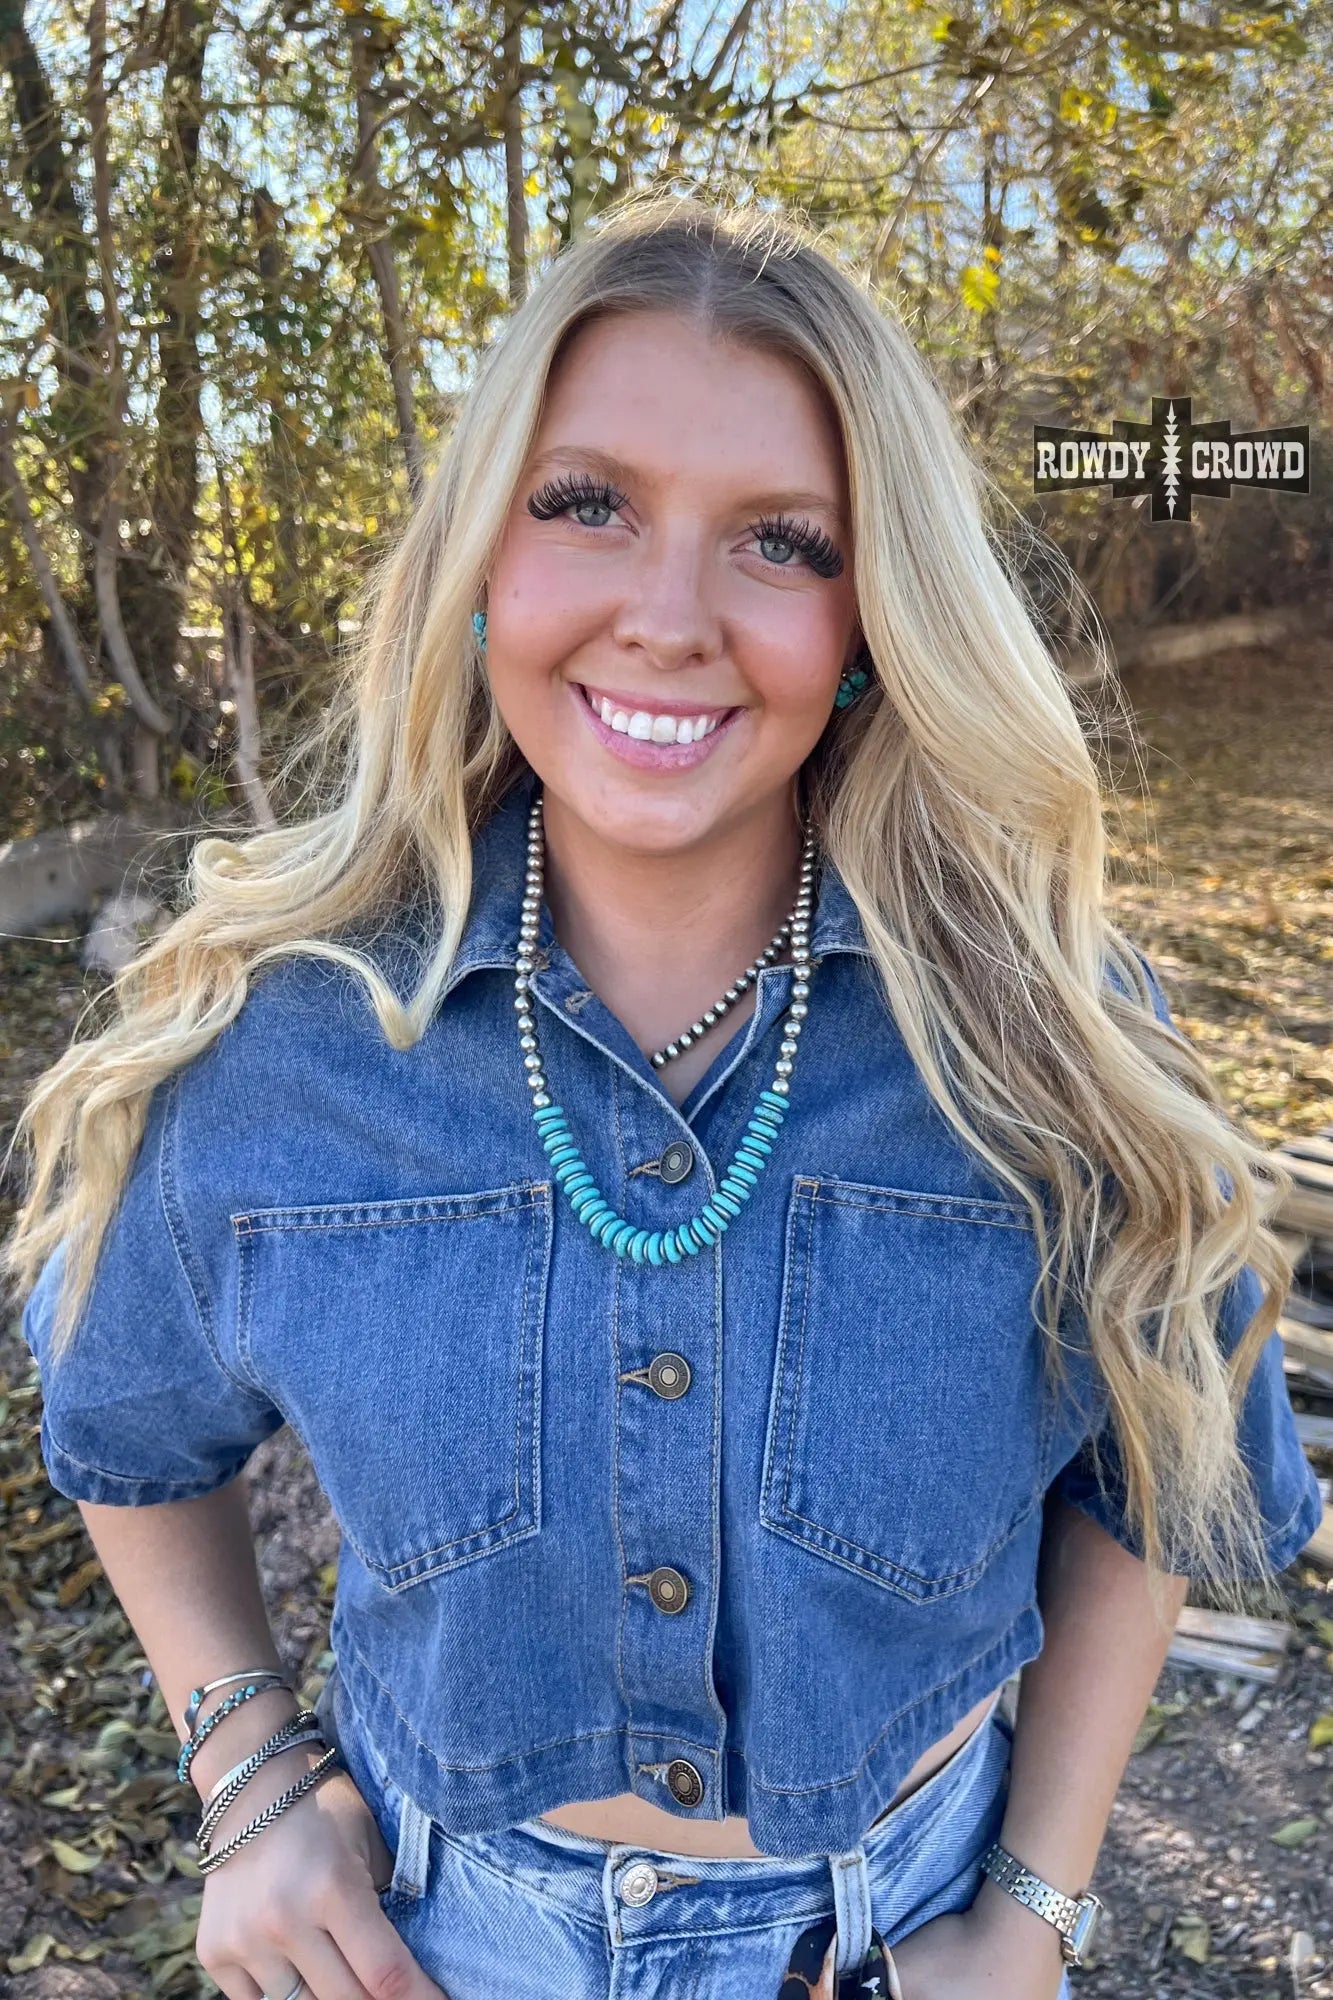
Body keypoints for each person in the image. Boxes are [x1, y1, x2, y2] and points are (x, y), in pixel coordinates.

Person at [6, 192, 1320, 2000]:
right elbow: (128, 1429)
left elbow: (1159, 1489)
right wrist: (244, 1775)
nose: (669, 615)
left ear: (875, 615)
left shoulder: (1056, 1042)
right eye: (585, 504)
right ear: (484, 557)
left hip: (914, 1935)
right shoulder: (276, 1043)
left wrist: (1033, 1916)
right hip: (431, 1940)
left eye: (782, 541)